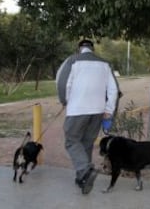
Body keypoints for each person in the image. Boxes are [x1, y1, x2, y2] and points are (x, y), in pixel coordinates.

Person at [56, 39, 120, 195]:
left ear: (79, 48)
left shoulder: (72, 60)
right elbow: (114, 89)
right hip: (97, 111)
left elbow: (62, 83)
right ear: (93, 49)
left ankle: (85, 170)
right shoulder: (105, 64)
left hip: (77, 109)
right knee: (86, 143)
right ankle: (82, 180)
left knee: (71, 140)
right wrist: (109, 110)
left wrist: (64, 100)